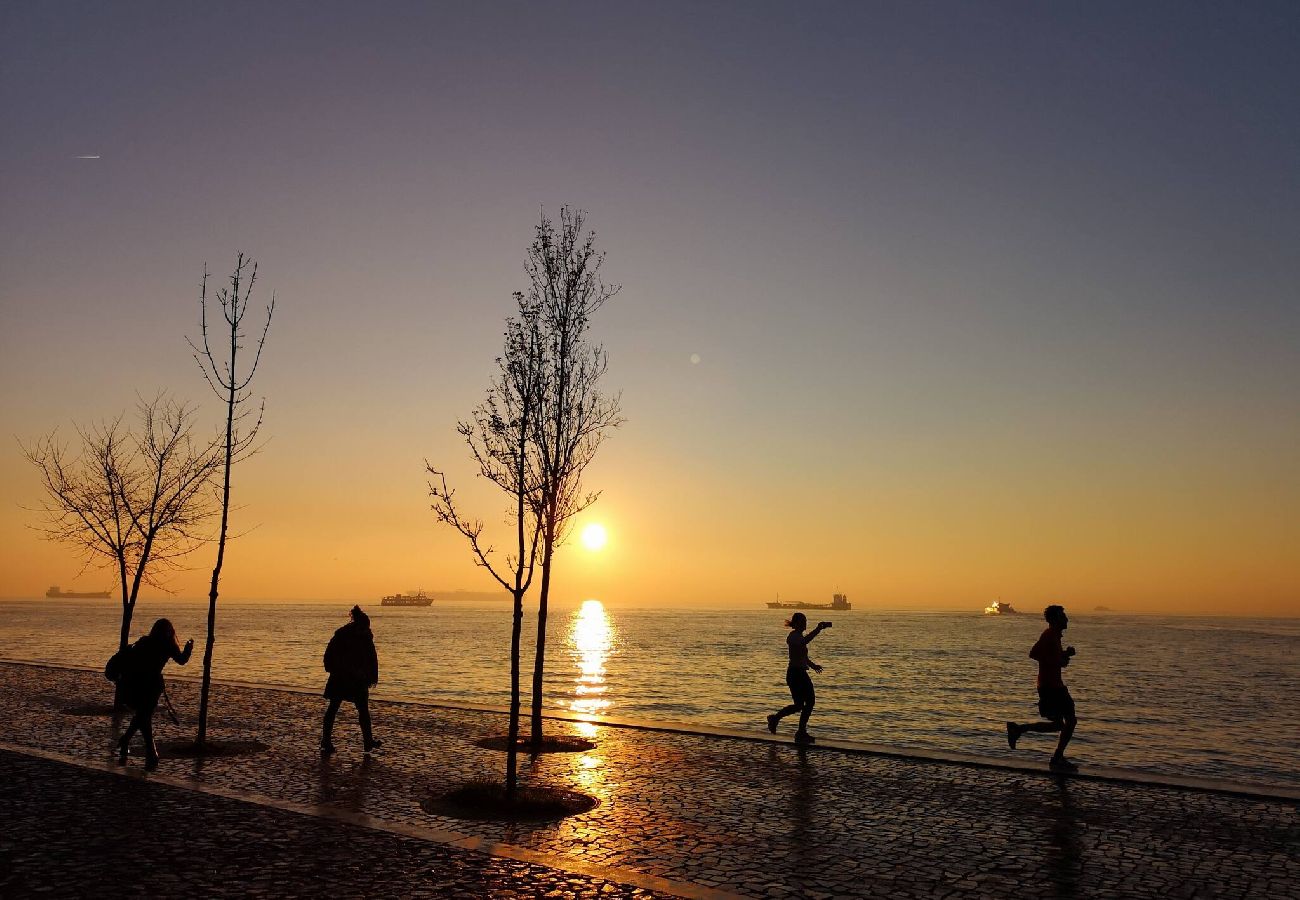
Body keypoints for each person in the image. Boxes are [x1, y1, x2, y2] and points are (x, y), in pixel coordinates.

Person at [1006, 604, 1079, 771]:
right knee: (1070, 721)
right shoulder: (1049, 635)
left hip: (1051, 685)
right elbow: (1034, 653)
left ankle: (1019, 729)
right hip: (1051, 687)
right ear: (1055, 619)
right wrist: (1059, 659)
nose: (1066, 619)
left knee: (1060, 724)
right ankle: (1057, 757)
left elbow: (1052, 659)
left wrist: (1064, 656)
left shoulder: (1054, 636)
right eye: (1063, 616)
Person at [117, 618, 193, 769]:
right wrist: (189, 648)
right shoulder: (168, 644)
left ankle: (127, 741)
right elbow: (182, 660)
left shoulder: (145, 641)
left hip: (138, 683)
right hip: (151, 686)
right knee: (144, 717)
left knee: (142, 716)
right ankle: (151, 752)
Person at [321, 605, 381, 754]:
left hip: (347, 678)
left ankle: (366, 741)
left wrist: (370, 676)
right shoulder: (351, 636)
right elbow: (371, 659)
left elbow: (371, 659)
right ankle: (365, 741)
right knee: (355, 710)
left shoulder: (347, 635)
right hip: (346, 678)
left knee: (337, 709)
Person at [767, 613, 831, 744]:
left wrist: (813, 666)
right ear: (796, 624)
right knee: (808, 702)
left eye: (805, 621)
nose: (805, 624)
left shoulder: (798, 637)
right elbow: (805, 642)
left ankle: (776, 719)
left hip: (799, 673)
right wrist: (818, 629)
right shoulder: (793, 637)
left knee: (799, 705)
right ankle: (800, 732)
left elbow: (803, 657)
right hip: (796, 674)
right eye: (803, 622)